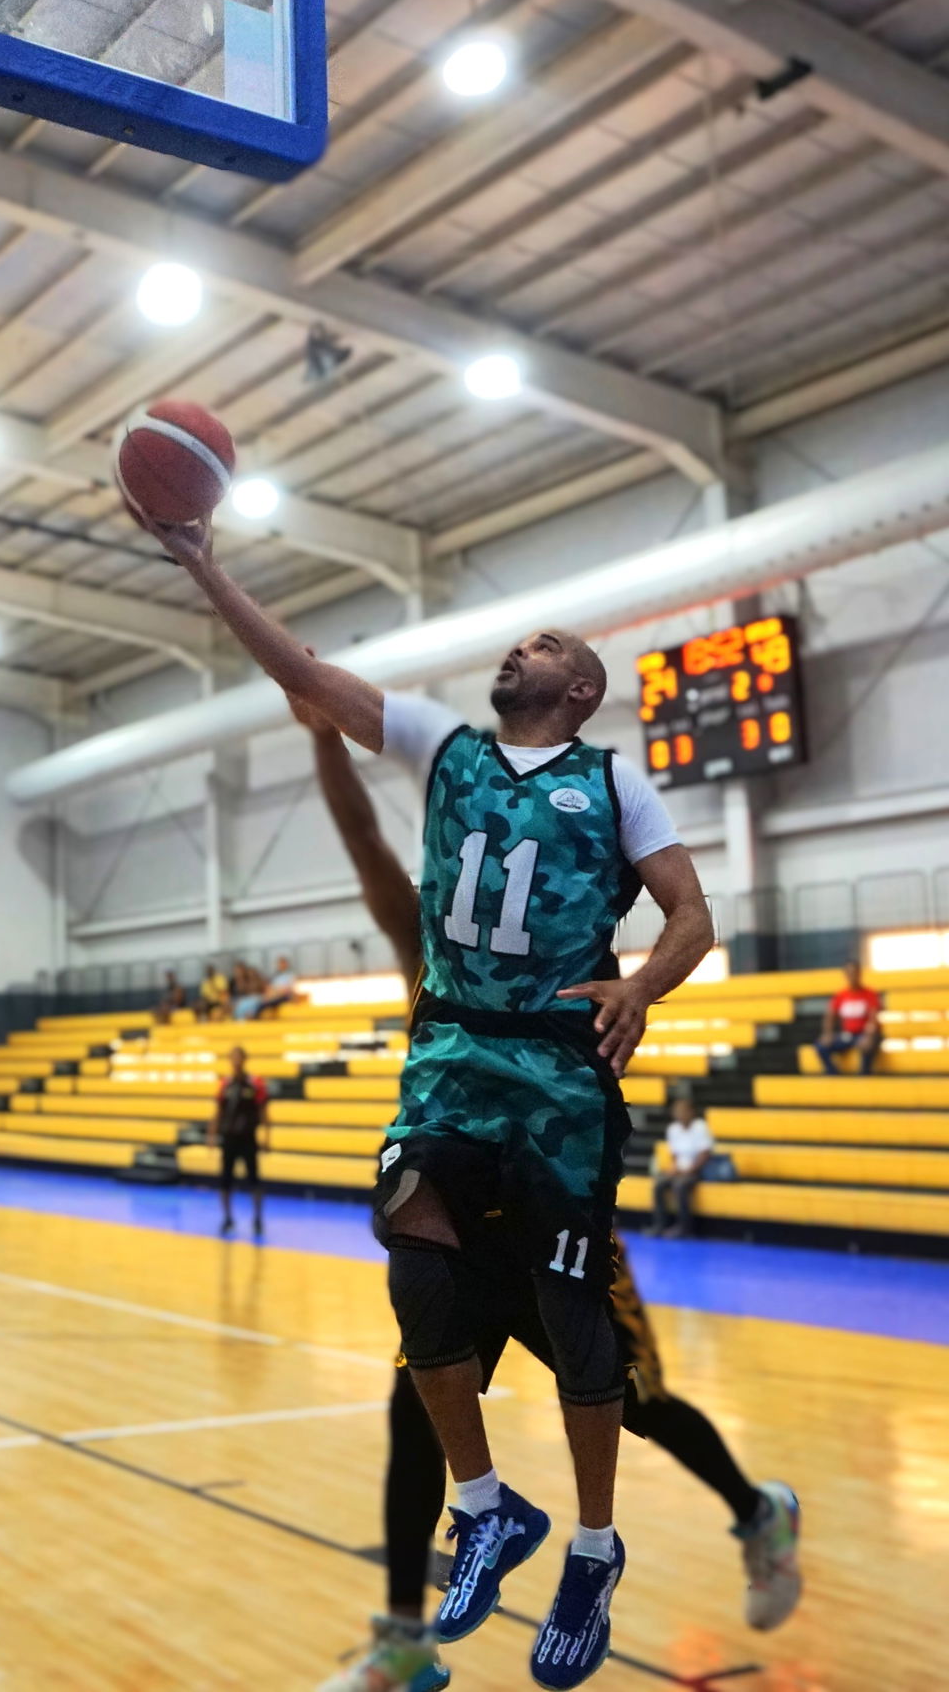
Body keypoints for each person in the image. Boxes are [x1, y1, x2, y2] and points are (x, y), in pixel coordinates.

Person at [157, 511, 715, 1688]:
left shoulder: (615, 781)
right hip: (454, 1058)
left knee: (577, 1326)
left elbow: (691, 916)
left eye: (543, 643)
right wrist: (204, 562)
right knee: (410, 1256)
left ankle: (595, 1547)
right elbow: (305, 676)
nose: (519, 648)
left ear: (581, 688)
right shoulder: (446, 747)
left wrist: (641, 986)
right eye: (518, 639)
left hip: (560, 1072)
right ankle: (485, 1508)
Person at [285, 696, 801, 1692]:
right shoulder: (432, 961)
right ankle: (404, 1643)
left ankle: (754, 1507)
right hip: (461, 1239)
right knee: (413, 1415)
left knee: (641, 1405)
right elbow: (363, 848)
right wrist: (323, 743)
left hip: (555, 1223)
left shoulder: (566, 982)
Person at [211, 1045, 268, 1238]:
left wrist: (267, 1136)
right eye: (232, 1057)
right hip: (229, 1139)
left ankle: (258, 1218)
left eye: (238, 1057)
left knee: (254, 1180)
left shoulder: (255, 1083)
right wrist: (211, 1136)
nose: (235, 1060)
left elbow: (263, 1111)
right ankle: (227, 1218)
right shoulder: (225, 1084)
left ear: (244, 1059)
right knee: (225, 1180)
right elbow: (217, 1112)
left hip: (248, 1139)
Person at [651, 1095, 714, 1239]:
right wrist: (674, 1167)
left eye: (683, 1111)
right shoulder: (673, 1129)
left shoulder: (700, 1127)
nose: (680, 1114)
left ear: (691, 1112)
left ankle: (684, 1227)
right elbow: (675, 1155)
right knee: (659, 1183)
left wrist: (690, 1169)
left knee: (679, 1186)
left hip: (697, 1169)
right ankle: (660, 1224)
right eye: (677, 1111)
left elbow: (705, 1154)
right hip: (680, 1169)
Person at [815, 959, 883, 1075]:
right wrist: (828, 1033)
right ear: (845, 975)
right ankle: (834, 1075)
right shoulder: (841, 995)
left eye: (855, 973)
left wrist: (869, 1035)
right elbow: (830, 1016)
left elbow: (873, 1018)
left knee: (868, 1046)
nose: (852, 976)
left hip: (864, 1034)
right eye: (849, 973)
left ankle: (865, 1076)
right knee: (821, 1045)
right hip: (848, 1035)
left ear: (859, 974)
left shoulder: (869, 994)